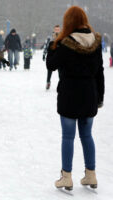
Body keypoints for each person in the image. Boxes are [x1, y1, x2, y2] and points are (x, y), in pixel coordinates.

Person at [46, 6, 104, 191]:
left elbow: (51, 64)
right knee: (87, 135)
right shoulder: (95, 42)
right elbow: (99, 72)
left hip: (70, 95)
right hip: (89, 94)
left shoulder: (65, 43)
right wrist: (99, 96)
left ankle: (66, 177)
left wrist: (53, 43)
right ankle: (90, 174)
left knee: (68, 137)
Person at [43, 25, 60, 90]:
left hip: (59, 56)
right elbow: (46, 46)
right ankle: (48, 82)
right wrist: (44, 54)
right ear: (54, 30)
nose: (57, 31)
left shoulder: (62, 36)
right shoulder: (50, 37)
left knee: (60, 71)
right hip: (52, 56)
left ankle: (60, 83)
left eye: (58, 29)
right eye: (56, 29)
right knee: (49, 70)